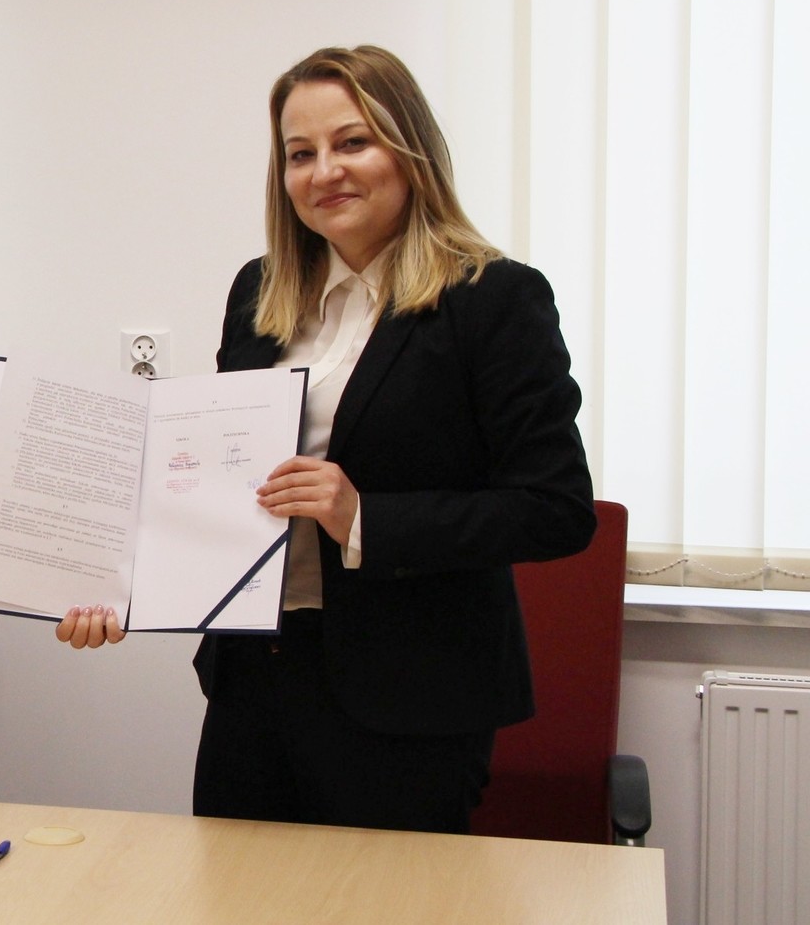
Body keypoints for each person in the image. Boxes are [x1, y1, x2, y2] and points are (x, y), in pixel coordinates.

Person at [56, 45, 595, 834]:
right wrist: (119, 579)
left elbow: (555, 509)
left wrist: (362, 517)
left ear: (409, 150)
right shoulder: (259, 291)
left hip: (410, 694)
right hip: (254, 676)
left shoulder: (493, 299)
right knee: (236, 893)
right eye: (300, 153)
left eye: (352, 142)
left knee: (381, 898)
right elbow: (214, 484)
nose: (324, 172)